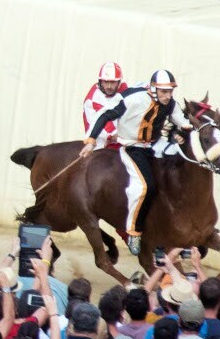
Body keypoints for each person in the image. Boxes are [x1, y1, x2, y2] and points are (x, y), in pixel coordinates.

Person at [82, 68, 192, 252]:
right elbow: (105, 115)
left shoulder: (171, 104)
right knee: (145, 186)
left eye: (170, 91)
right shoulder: (133, 98)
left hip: (155, 144)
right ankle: (134, 232)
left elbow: (185, 123)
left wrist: (183, 133)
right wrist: (91, 141)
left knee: (179, 172)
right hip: (133, 147)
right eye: (164, 92)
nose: (168, 96)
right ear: (153, 89)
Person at [83, 62, 126, 138]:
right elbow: (105, 123)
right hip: (99, 142)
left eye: (112, 82)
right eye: (106, 82)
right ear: (100, 81)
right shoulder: (93, 98)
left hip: (119, 137)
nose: (109, 86)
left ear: (119, 82)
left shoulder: (123, 88)